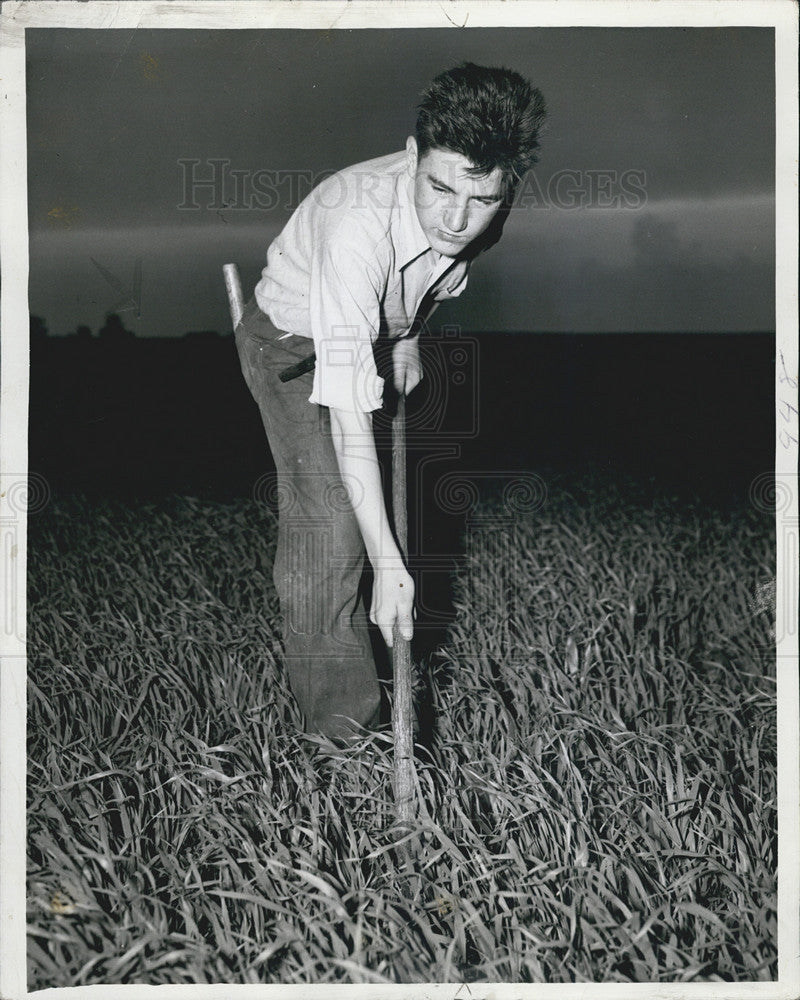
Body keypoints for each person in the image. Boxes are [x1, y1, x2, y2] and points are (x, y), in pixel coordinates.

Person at [234, 62, 546, 740]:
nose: (457, 219)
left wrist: (406, 336)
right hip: (288, 344)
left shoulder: (478, 197)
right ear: (412, 156)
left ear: (506, 186)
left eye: (483, 201)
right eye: (437, 189)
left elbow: (431, 275)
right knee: (333, 535)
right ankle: (341, 743)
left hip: (369, 327)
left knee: (371, 520)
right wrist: (389, 567)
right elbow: (349, 424)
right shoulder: (356, 227)